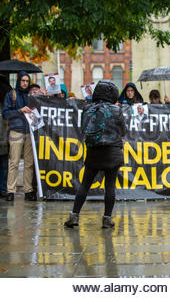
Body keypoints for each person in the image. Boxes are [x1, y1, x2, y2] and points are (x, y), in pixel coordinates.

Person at [64, 80, 127, 229]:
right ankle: (107, 219)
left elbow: (83, 128)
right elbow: (123, 131)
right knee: (110, 186)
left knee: (85, 185)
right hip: (113, 152)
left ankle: (74, 216)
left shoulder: (87, 108)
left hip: (94, 152)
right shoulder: (116, 110)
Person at [2, 71, 36, 202]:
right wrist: (19, 110)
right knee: (14, 162)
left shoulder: (31, 95)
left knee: (29, 163)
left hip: (29, 131)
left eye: (27, 81)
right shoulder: (11, 95)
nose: (25, 83)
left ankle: (28, 190)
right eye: (23, 80)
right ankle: (10, 190)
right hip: (16, 130)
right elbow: (5, 113)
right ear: (18, 81)